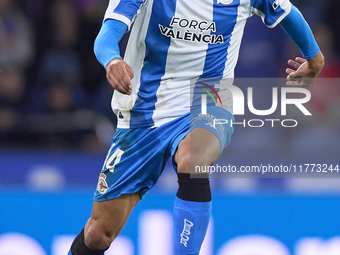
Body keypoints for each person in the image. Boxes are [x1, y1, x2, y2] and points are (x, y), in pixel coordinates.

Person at [68, 0, 324, 254]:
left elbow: (288, 12)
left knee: (193, 158)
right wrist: (112, 61)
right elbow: (108, 34)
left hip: (209, 98)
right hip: (144, 112)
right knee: (98, 234)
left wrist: (314, 57)